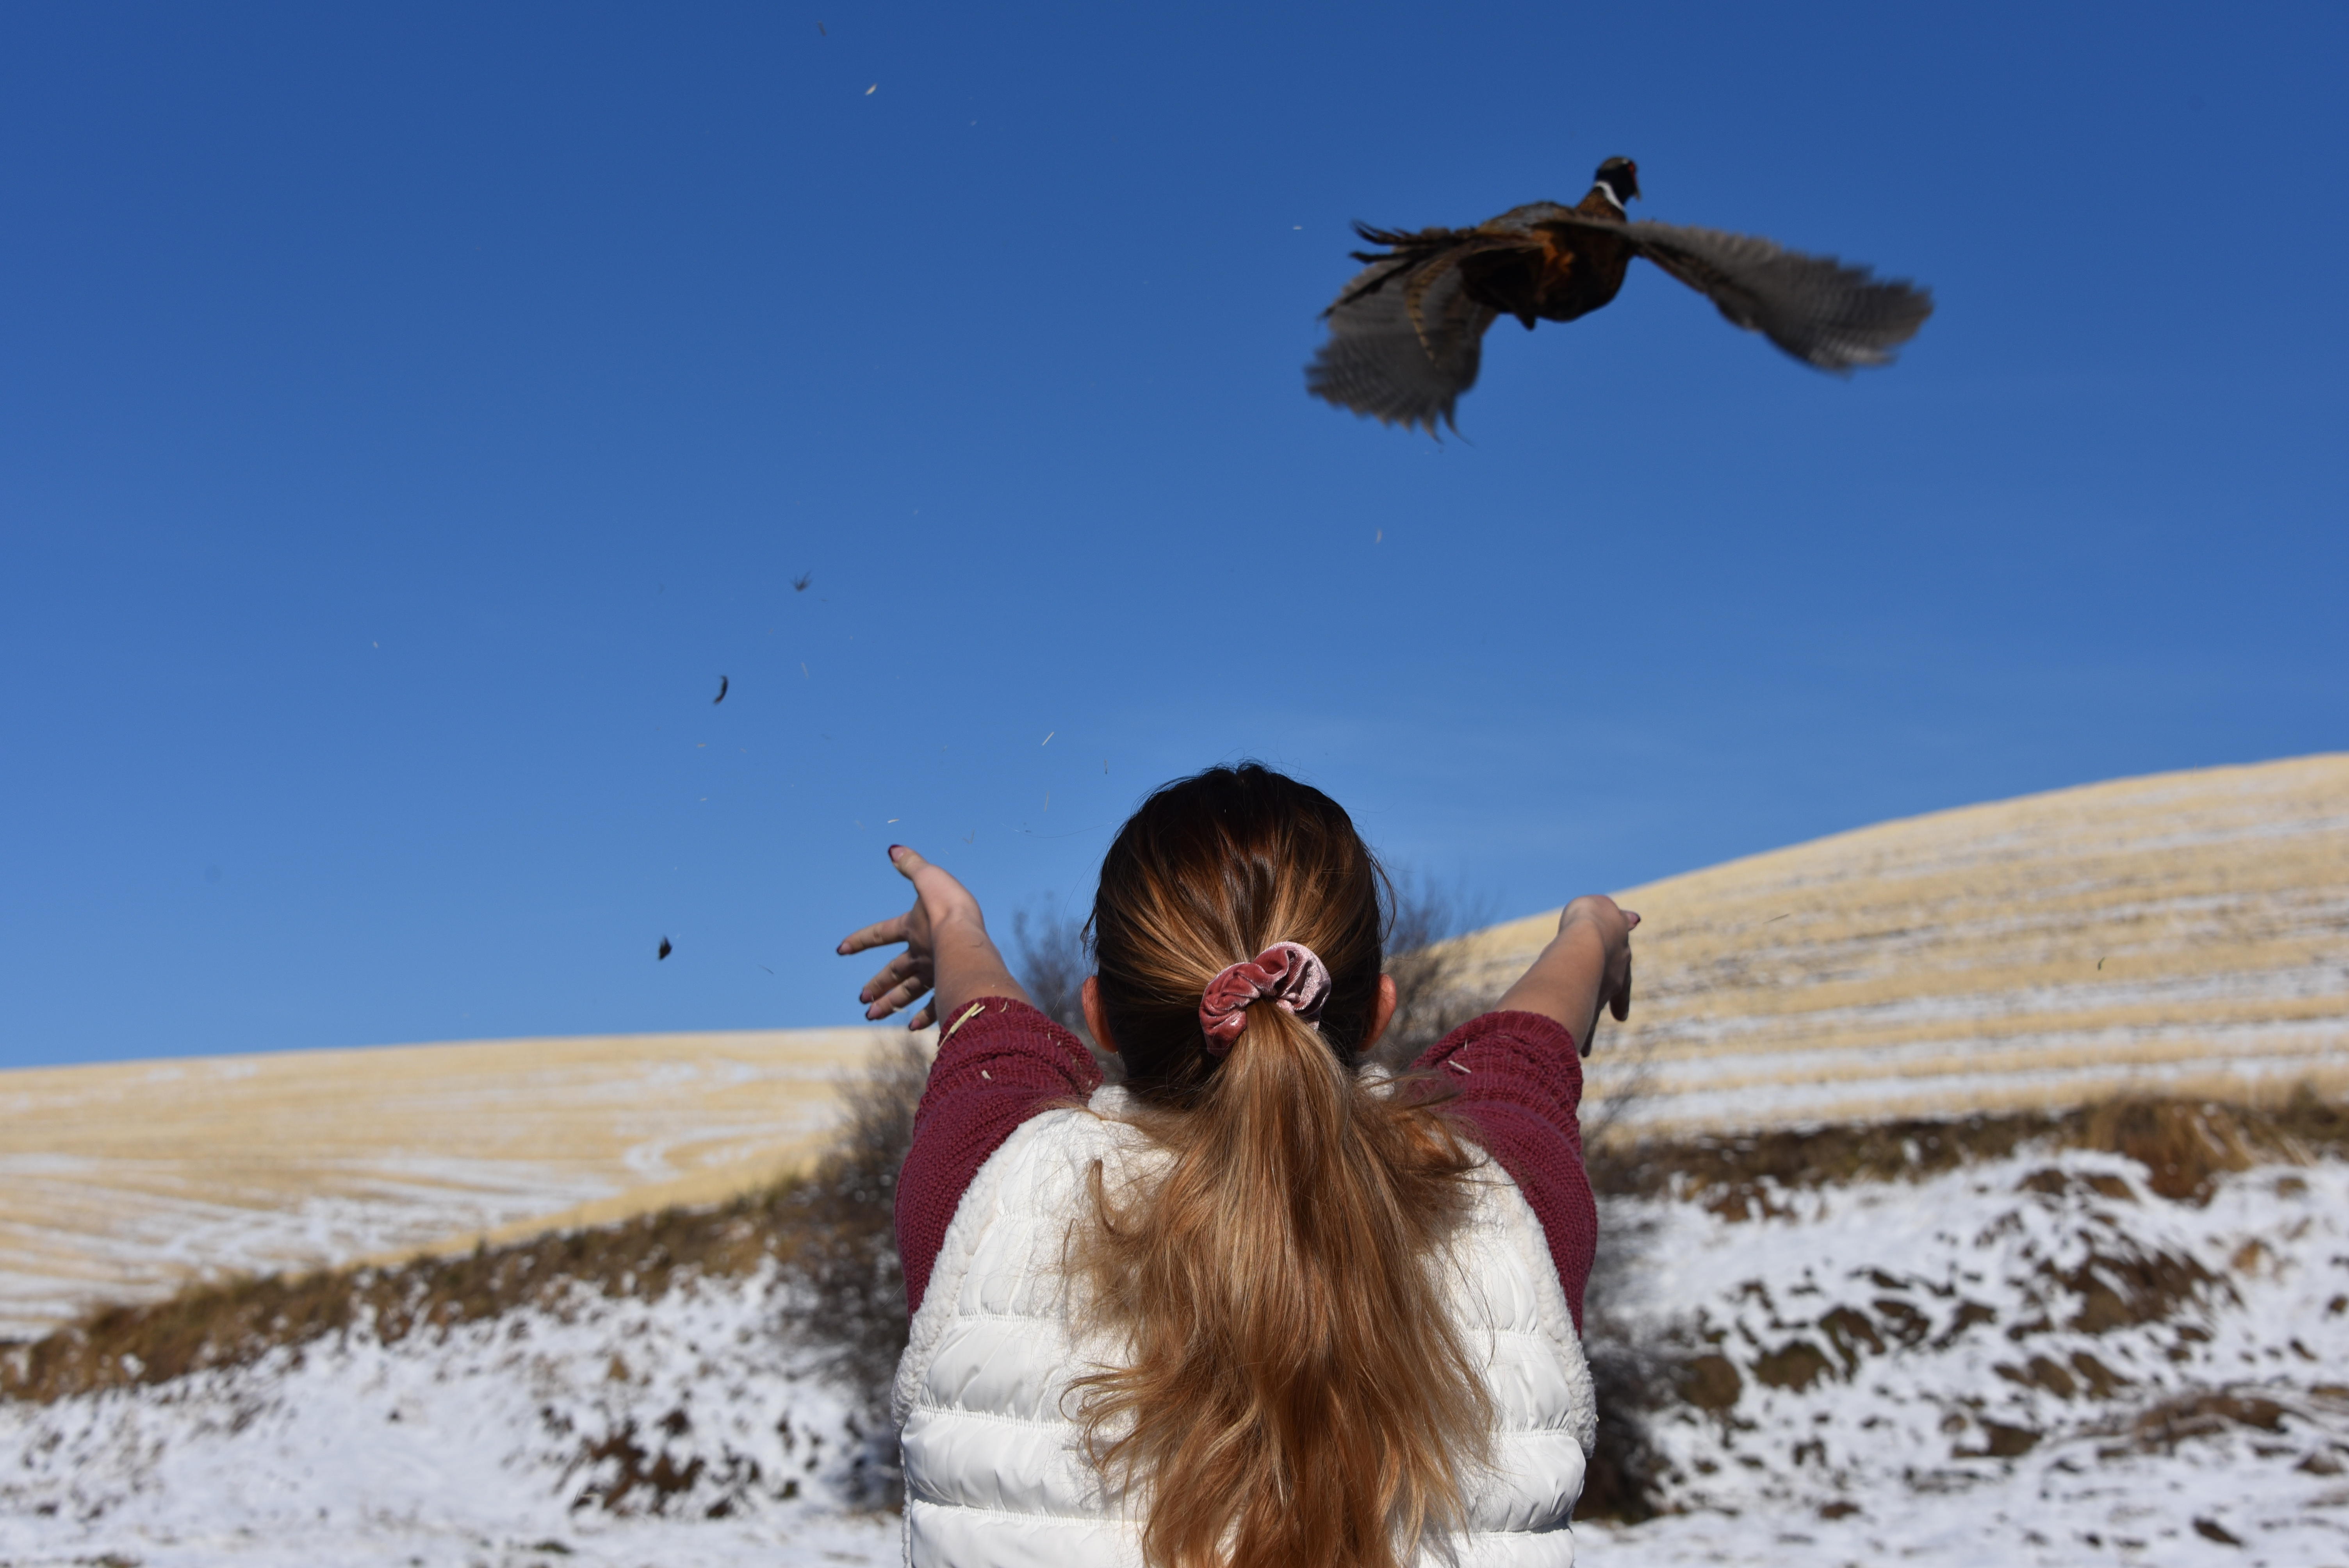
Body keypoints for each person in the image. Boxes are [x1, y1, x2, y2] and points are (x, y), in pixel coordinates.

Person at [837, 763, 1637, 1568]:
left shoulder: (991, 1186)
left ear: (1100, 1016)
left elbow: (994, 1033)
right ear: (1379, 1008)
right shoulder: (1501, 1206)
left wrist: (951, 919)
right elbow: (1522, 1055)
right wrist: (1590, 930)